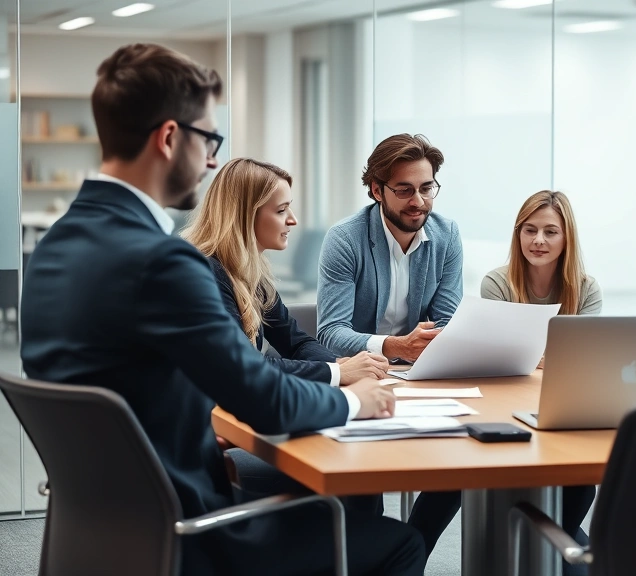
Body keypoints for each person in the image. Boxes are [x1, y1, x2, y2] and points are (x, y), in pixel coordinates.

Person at [19, 43, 424, 576]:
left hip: (104, 526)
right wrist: (358, 403)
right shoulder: (164, 261)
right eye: (209, 139)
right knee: (401, 543)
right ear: (169, 138)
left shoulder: (55, 247)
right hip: (191, 534)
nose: (212, 160)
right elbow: (265, 398)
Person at [316, 133, 463, 557]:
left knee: (461, 458)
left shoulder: (447, 235)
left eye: (426, 188)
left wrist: (425, 347)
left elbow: (447, 320)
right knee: (365, 484)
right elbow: (330, 331)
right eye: (404, 190)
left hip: (424, 377)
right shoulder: (346, 238)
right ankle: (385, 552)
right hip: (361, 378)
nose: (418, 201)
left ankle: (411, 546)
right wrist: (394, 346)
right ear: (377, 189)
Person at [182, 157, 389, 385]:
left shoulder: (250, 276)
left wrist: (339, 365)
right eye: (281, 210)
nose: (293, 220)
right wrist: (337, 373)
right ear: (245, 215)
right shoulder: (206, 272)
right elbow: (241, 365)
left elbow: (296, 343)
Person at [480, 190, 600, 576]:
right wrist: (548, 355)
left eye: (551, 231)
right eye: (529, 230)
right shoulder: (497, 283)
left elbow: (581, 360)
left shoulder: (585, 288)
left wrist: (538, 355)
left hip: (561, 402)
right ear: (517, 234)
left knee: (583, 484)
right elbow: (505, 360)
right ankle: (557, 543)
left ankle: (555, 541)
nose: (538, 241)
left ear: (567, 238)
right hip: (504, 401)